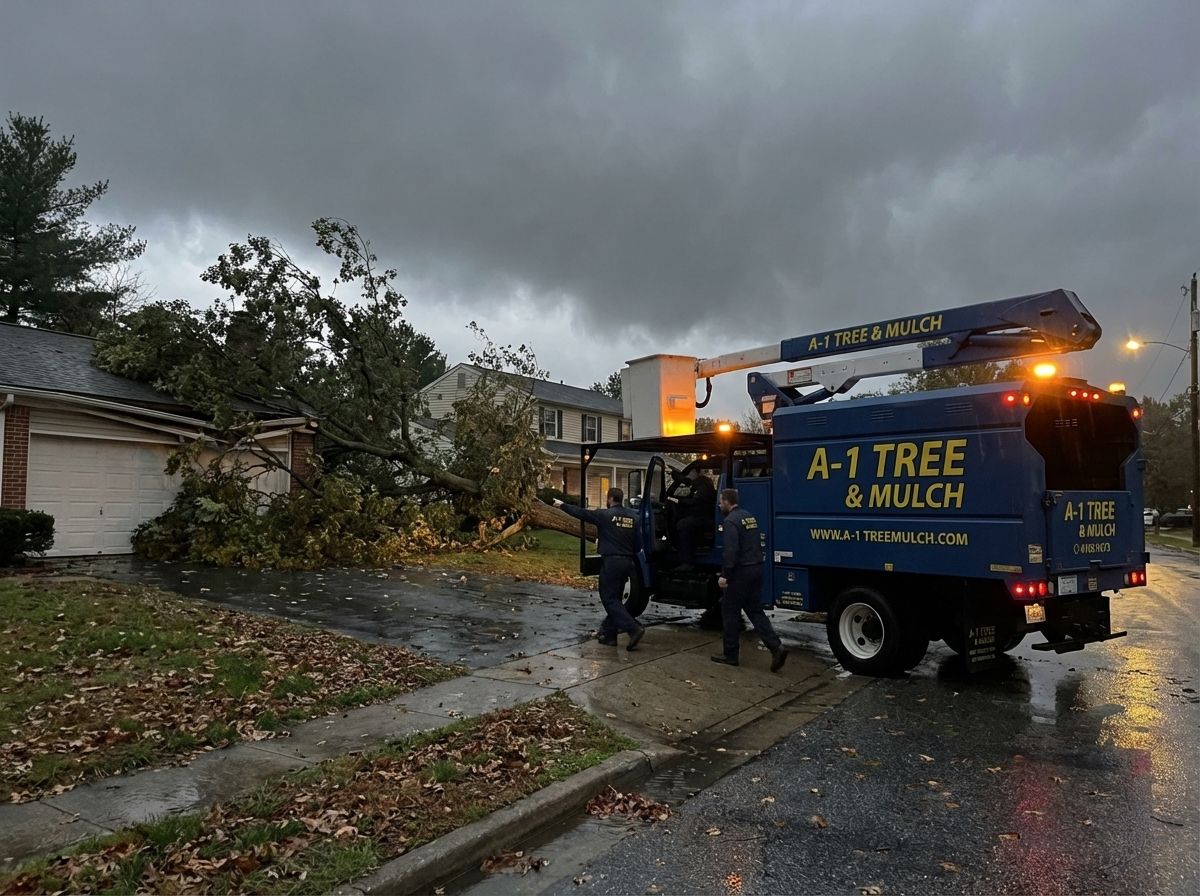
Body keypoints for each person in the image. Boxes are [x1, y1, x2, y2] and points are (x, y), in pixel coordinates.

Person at [554, 488, 646, 650]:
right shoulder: (634, 517)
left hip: (611, 562)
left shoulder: (605, 515)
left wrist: (562, 505)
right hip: (627, 563)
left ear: (609, 499)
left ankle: (633, 628)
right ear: (621, 498)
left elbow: (582, 513)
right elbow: (639, 545)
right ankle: (610, 636)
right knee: (616, 599)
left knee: (609, 599)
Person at [711, 487, 788, 671]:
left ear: (727, 501)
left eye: (720, 502)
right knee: (755, 611)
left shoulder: (730, 521)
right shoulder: (748, 516)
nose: (719, 505)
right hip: (756, 569)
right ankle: (776, 647)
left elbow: (731, 552)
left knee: (730, 612)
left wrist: (725, 575)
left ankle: (730, 655)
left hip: (740, 573)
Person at [668, 469, 717, 568]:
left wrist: (677, 501)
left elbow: (695, 501)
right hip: (703, 515)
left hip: (705, 517)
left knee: (682, 525)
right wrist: (674, 474)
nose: (688, 475)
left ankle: (687, 561)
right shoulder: (700, 483)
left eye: (689, 473)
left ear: (696, 472)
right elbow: (686, 482)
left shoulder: (703, 485)